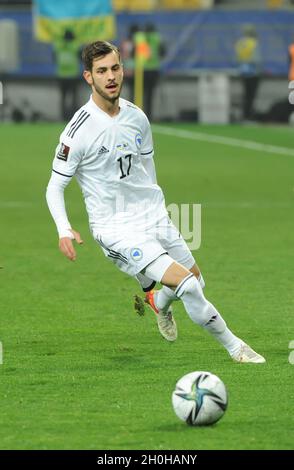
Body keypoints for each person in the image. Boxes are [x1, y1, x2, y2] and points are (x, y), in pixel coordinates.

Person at [46, 40, 265, 364]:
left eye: (115, 68)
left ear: (123, 69)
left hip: (153, 216)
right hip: (116, 227)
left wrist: (157, 208)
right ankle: (237, 348)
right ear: (88, 77)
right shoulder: (77, 131)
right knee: (189, 287)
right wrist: (64, 229)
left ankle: (159, 303)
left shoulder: (137, 117)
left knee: (196, 282)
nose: (111, 77)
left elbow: (147, 169)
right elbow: (54, 187)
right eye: (102, 71)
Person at [235, 24, 261, 121]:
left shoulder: (239, 43)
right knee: (251, 95)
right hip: (253, 73)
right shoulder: (253, 43)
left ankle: (244, 115)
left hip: (243, 71)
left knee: (245, 95)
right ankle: (249, 116)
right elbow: (256, 59)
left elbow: (238, 58)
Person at [53, 28, 81, 121]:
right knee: (74, 97)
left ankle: (63, 117)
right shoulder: (76, 46)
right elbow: (81, 58)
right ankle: (74, 117)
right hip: (73, 75)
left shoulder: (58, 46)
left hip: (61, 75)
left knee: (63, 98)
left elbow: (54, 59)